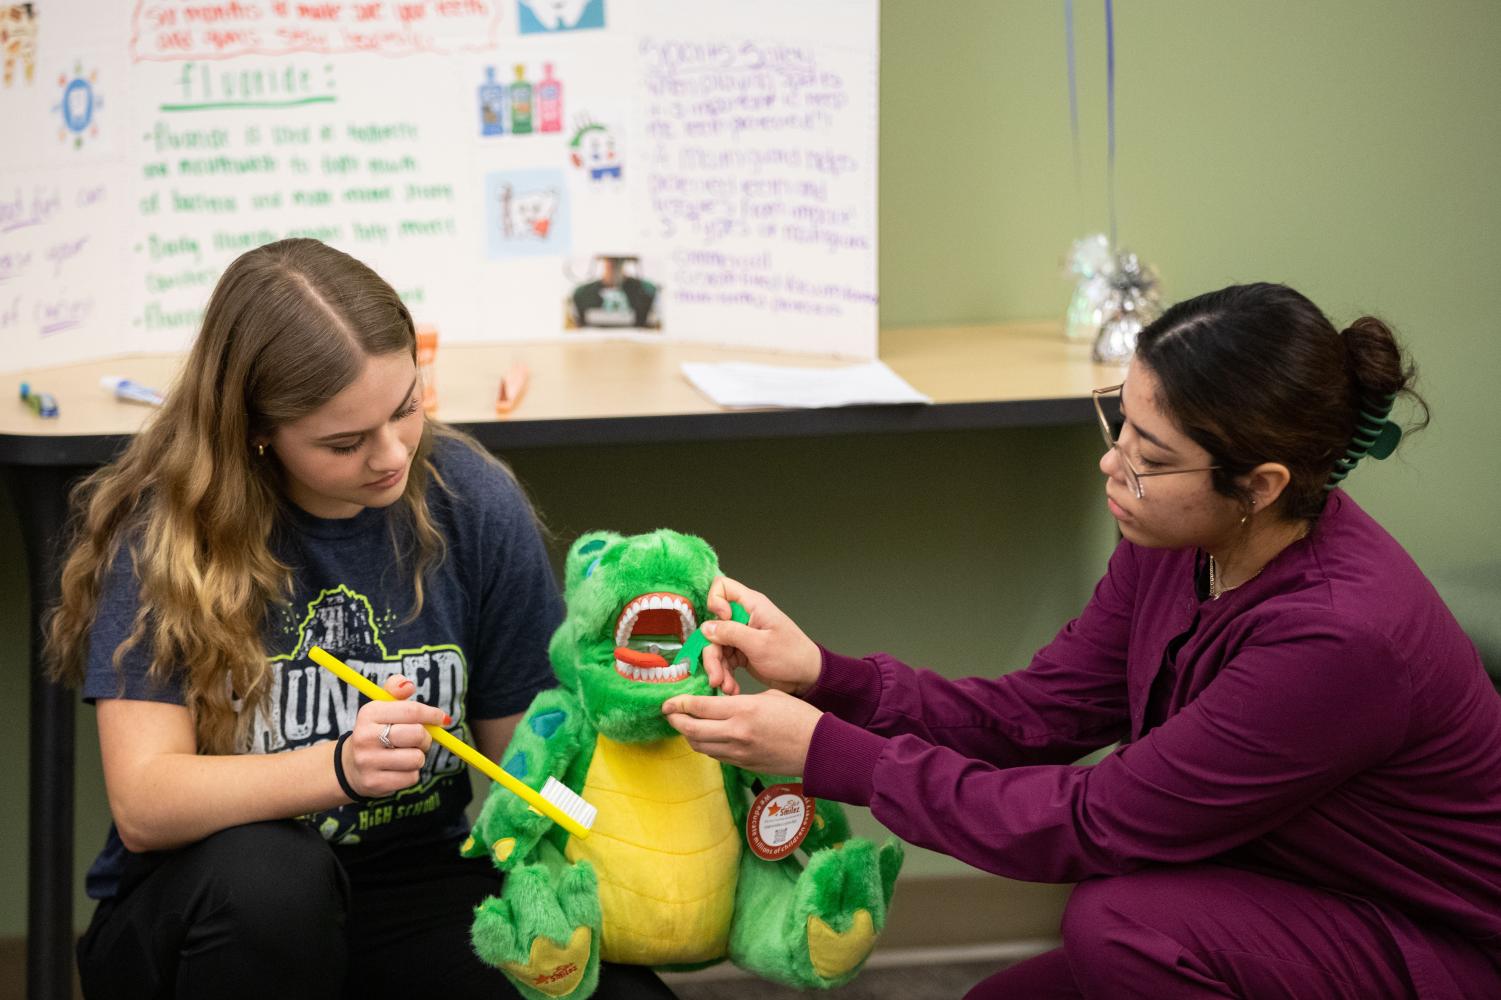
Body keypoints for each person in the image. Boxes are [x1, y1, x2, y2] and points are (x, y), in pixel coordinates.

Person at [663, 283, 1501, 999]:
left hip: (1432, 945)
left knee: (1121, 922)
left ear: (1260, 484)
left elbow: (1096, 824)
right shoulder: (1182, 543)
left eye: (1148, 456)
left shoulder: (1336, 638)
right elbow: (1032, 717)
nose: (1112, 466)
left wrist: (828, 754)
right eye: (1119, 425)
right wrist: (824, 675)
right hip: (1283, 890)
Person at [46, 238, 675, 999]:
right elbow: (145, 804)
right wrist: (337, 769)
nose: (391, 454)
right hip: (210, 901)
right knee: (276, 881)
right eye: (344, 442)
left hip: (412, 883)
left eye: (406, 406)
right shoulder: (171, 532)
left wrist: (659, 742)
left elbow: (529, 760)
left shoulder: (469, 498)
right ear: (257, 433)